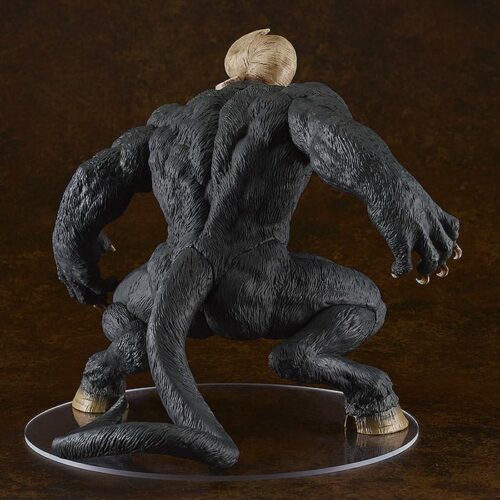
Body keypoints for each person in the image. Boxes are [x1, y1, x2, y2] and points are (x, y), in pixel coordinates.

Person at [52, 29, 461, 467]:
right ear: (283, 74)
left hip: (163, 288)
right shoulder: (296, 103)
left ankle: (103, 374)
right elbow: (333, 138)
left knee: (121, 310)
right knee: (367, 304)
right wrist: (398, 194)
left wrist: (74, 257)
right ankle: (320, 365)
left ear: (231, 69)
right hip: (254, 292)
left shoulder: (168, 122)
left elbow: (95, 177)